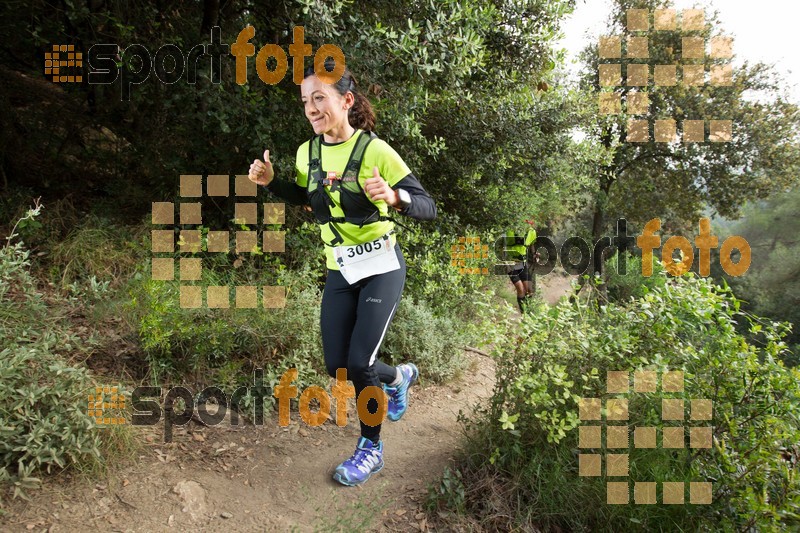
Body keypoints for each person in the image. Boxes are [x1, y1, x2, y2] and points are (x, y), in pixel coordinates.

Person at [247, 60, 437, 486]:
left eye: (320, 98)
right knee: (339, 367)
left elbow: (428, 205)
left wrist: (394, 196)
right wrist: (273, 181)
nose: (311, 108)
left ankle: (371, 449)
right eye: (305, 101)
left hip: (382, 268)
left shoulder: (375, 150)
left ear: (346, 101)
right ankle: (400, 376)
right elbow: (306, 196)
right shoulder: (306, 152)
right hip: (341, 271)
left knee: (359, 361)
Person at [505, 224, 537, 313]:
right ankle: (524, 314)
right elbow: (501, 247)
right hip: (510, 263)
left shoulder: (531, 231)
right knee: (520, 288)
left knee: (529, 290)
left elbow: (531, 245)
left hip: (522, 264)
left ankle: (529, 312)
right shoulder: (509, 230)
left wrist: (535, 255)